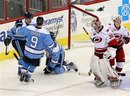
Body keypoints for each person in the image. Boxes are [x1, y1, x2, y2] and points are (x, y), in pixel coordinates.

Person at [89, 18, 121, 88]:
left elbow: (114, 44)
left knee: (104, 65)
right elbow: (96, 44)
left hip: (105, 53)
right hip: (97, 53)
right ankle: (99, 78)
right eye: (93, 25)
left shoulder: (107, 32)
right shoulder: (93, 31)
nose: (94, 26)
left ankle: (114, 78)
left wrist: (111, 53)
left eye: (96, 24)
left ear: (99, 23)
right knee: (93, 64)